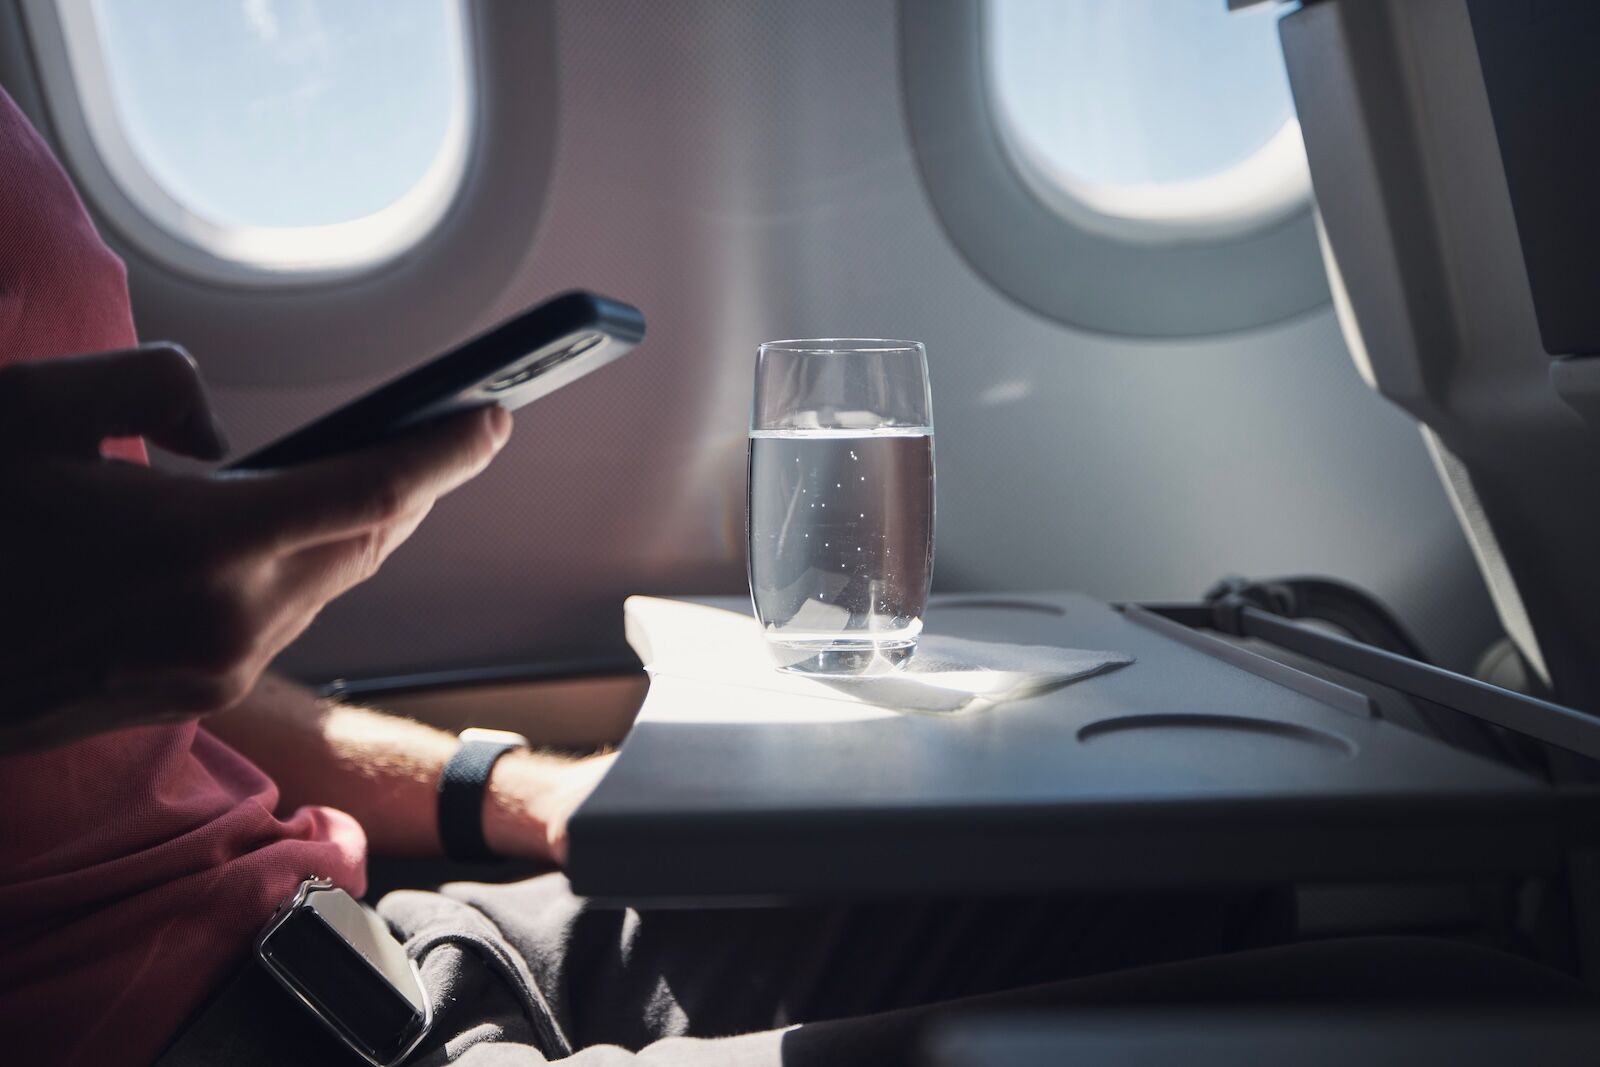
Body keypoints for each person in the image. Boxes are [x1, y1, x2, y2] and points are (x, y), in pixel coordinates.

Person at [1, 85, 1585, 1067]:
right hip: (196, 1036)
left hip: (381, 941)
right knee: (1483, 1015)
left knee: (1186, 870)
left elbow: (134, 718)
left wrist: (521, 787)